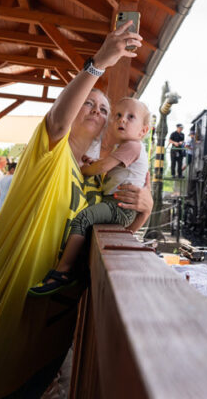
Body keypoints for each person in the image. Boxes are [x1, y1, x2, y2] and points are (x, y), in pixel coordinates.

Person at [0, 21, 154, 399]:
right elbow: (59, 121)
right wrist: (98, 64)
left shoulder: (96, 180)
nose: (97, 109)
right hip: (3, 322)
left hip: (46, 338)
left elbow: (123, 230)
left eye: (105, 107)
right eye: (89, 103)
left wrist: (143, 208)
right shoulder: (50, 154)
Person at [29, 97, 151, 295]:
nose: (122, 120)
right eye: (118, 115)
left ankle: (64, 270)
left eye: (130, 117)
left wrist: (85, 170)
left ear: (143, 131)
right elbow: (108, 169)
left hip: (118, 205)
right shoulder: (125, 149)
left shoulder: (133, 146)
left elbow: (102, 168)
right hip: (118, 204)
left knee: (83, 218)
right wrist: (94, 163)